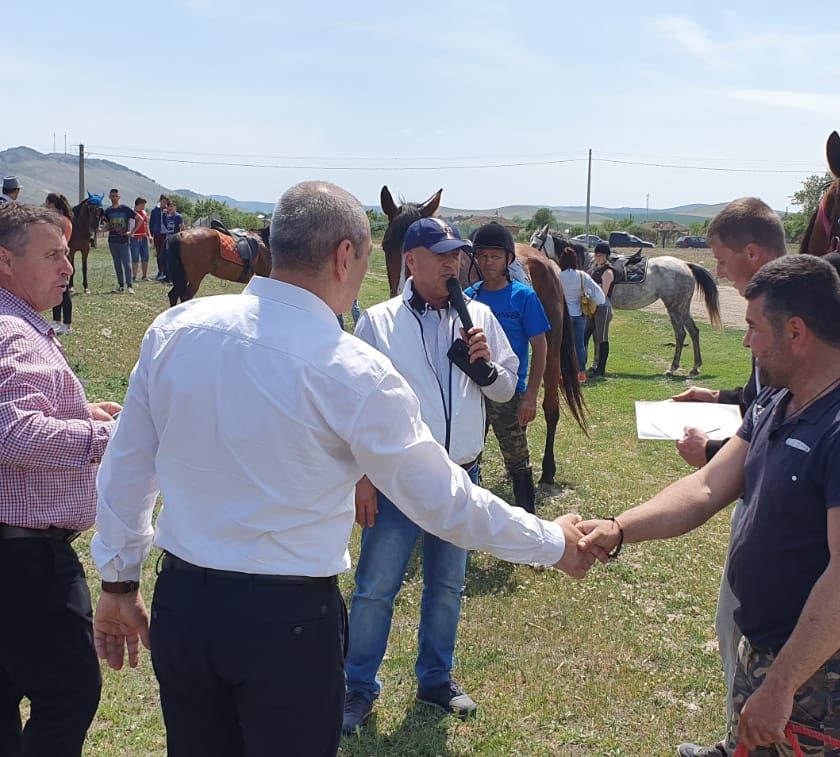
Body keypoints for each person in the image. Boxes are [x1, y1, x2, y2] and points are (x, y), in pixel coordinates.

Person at [89, 183, 591, 757]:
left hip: (185, 605)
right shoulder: (354, 370)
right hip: (288, 622)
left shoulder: (175, 330)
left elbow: (127, 468)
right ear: (345, 256)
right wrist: (552, 540)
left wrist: (119, 582)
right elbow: (445, 500)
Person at [578, 255, 840, 757]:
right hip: (765, 651)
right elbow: (705, 488)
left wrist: (781, 686)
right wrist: (619, 528)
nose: (747, 342)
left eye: (755, 328)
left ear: (797, 332)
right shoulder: (779, 403)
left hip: (824, 675)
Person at [341, 217, 525, 733]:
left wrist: (489, 369)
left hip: (462, 477)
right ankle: (357, 688)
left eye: (455, 255)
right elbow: (357, 409)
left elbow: (507, 390)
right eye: (439, 255)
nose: (452, 263)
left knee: (447, 587)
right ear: (411, 262)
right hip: (397, 482)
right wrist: (362, 478)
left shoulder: (482, 317)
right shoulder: (376, 323)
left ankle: (435, 680)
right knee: (376, 588)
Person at [0, 202, 121, 755]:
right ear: (6, 261)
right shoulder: (14, 332)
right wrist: (108, 439)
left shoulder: (18, 324)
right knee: (70, 692)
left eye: (64, 253)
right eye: (51, 255)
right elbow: (14, 434)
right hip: (28, 561)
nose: (67, 265)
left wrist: (79, 414)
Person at [669, 196, 786, 757]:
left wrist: (712, 449)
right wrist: (718, 397)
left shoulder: (782, 320)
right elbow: (765, 403)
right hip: (763, 493)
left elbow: (778, 425)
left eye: (720, 260)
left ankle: (740, 743)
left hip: (770, 501)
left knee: (736, 624)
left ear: (753, 252)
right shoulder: (779, 311)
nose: (716, 272)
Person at [465, 222, 550, 512]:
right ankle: (470, 516)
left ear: (508, 260)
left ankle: (529, 519)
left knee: (516, 458)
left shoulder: (523, 297)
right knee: (469, 455)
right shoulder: (469, 296)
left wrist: (531, 395)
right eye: (483, 256)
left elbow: (540, 346)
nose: (488, 262)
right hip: (472, 391)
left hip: (510, 394)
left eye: (495, 256)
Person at [558, 244, 604, 382]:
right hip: (580, 314)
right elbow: (600, 296)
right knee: (579, 344)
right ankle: (581, 373)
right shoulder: (582, 275)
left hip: (564, 315)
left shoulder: (558, 276)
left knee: (563, 344)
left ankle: (562, 373)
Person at [45, 193, 76, 335]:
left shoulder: (62, 221)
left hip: (62, 256)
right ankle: (57, 320)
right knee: (55, 288)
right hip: (56, 256)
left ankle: (67, 324)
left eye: (47, 204)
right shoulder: (57, 220)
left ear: (52, 204)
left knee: (64, 290)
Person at [587, 242, 615, 377]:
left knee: (602, 338)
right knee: (586, 335)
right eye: (596, 255)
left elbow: (602, 294)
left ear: (606, 256)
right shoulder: (595, 269)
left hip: (603, 308)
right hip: (593, 308)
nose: (597, 257)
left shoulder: (607, 272)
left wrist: (589, 299)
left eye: (600, 255)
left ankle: (601, 369)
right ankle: (590, 365)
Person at [103, 188, 136, 293]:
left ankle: (129, 285)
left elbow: (139, 219)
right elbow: (107, 226)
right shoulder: (108, 211)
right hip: (112, 240)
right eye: (112, 196)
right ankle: (121, 285)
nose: (114, 198)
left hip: (124, 240)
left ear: (119, 197)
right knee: (117, 264)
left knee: (126, 263)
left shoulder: (125, 209)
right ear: (109, 197)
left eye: (116, 196)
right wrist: (100, 230)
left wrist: (131, 232)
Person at [130, 197, 152, 283]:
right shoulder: (132, 213)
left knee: (145, 257)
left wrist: (149, 235)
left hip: (143, 238)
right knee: (135, 258)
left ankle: (144, 275)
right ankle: (134, 276)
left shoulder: (144, 213)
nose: (144, 206)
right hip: (135, 238)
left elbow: (146, 226)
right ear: (139, 204)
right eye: (143, 204)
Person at [149, 194, 169, 281]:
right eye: (163, 201)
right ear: (160, 201)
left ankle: (166, 271)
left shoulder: (167, 210)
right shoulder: (154, 211)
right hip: (158, 234)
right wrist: (151, 234)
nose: (164, 203)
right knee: (159, 253)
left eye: (166, 202)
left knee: (166, 253)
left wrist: (166, 213)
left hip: (166, 234)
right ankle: (160, 271)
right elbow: (151, 223)